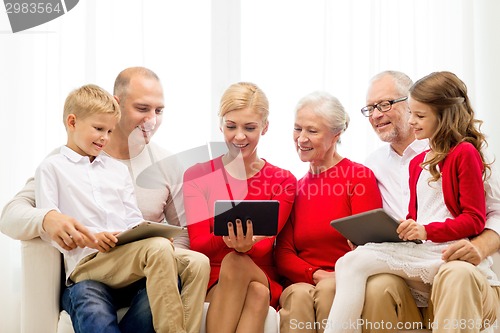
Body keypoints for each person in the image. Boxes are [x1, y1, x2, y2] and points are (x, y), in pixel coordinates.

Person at [0, 67, 209, 333]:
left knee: (193, 262)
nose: (152, 120)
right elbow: (10, 214)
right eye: (143, 108)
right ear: (117, 104)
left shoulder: (160, 165)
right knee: (96, 295)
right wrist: (48, 218)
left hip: (142, 268)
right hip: (92, 271)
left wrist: (162, 245)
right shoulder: (58, 163)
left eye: (159, 111)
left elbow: (182, 232)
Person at [324, 71, 500, 333]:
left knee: (356, 263)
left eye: (385, 104)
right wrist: (392, 232)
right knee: (352, 262)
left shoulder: (466, 152)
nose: (376, 114)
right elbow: (413, 218)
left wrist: (432, 232)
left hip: (446, 251)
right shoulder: (410, 163)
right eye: (370, 108)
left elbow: (477, 217)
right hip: (420, 251)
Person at [34, 83, 188, 333]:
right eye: (98, 129)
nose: (105, 137)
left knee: (170, 274)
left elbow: (132, 219)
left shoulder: (116, 170)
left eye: (109, 130)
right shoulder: (52, 168)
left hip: (127, 267)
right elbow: (50, 230)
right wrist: (91, 237)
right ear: (72, 122)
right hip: (87, 268)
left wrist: (147, 235)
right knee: (90, 301)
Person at [182, 82, 297, 333]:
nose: (239, 136)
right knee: (254, 291)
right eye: (231, 126)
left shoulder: (283, 180)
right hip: (214, 278)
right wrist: (231, 241)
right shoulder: (197, 175)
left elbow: (267, 243)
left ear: (265, 127)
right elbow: (198, 244)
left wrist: (242, 244)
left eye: (250, 127)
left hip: (260, 272)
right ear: (220, 124)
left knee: (238, 262)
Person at [274, 91, 383, 333]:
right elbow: (283, 251)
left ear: (336, 134)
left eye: (312, 131)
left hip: (346, 278)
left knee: (328, 291)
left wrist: (332, 277)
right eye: (297, 129)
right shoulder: (294, 187)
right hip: (305, 280)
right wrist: (315, 274)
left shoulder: (358, 177)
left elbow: (369, 244)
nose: (301, 138)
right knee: (298, 296)